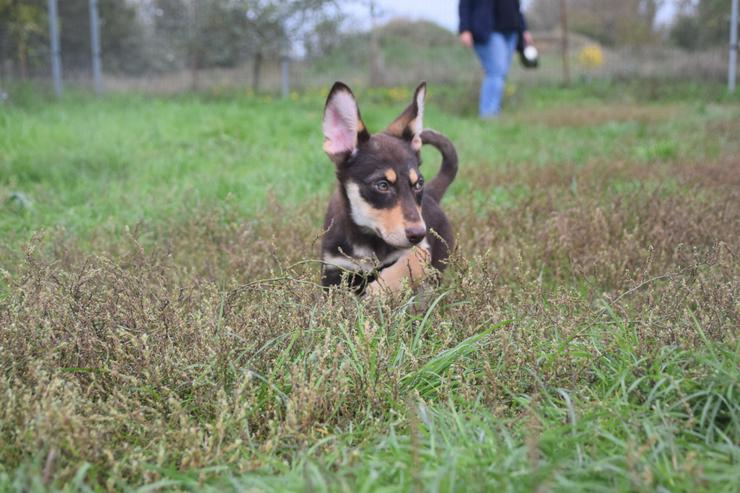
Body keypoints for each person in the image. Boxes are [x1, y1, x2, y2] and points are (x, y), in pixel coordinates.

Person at [459, 0, 534, 118]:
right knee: (496, 71)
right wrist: (464, 29)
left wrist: (523, 30)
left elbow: (516, 7)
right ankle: (488, 114)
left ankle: (494, 111)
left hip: (511, 32)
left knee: (501, 74)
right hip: (488, 32)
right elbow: (465, 3)